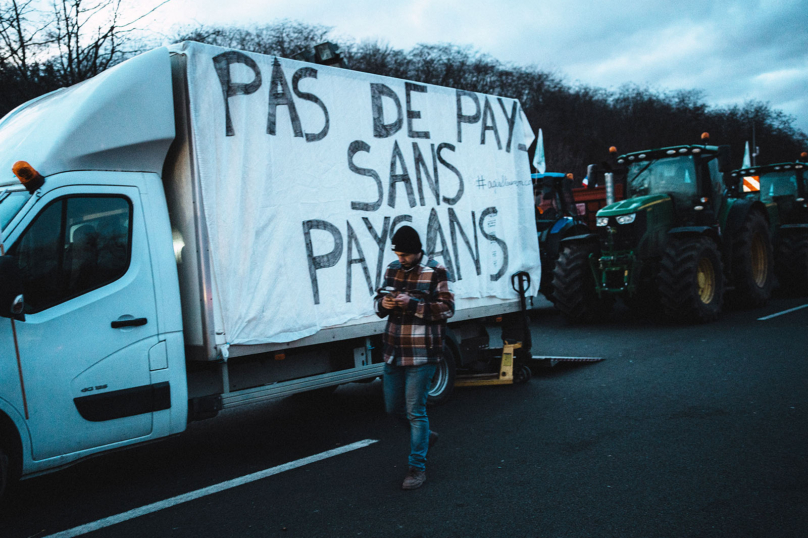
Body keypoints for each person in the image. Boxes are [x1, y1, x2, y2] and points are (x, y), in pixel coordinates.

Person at [374, 225, 454, 490]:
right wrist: (383, 305)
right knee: (392, 408)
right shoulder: (392, 269)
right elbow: (380, 299)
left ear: (417, 251)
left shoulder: (436, 271)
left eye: (405, 255)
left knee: (415, 411)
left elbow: (447, 308)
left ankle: (416, 468)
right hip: (393, 351)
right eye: (397, 254)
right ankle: (425, 438)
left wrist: (413, 304)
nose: (401, 259)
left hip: (422, 353)